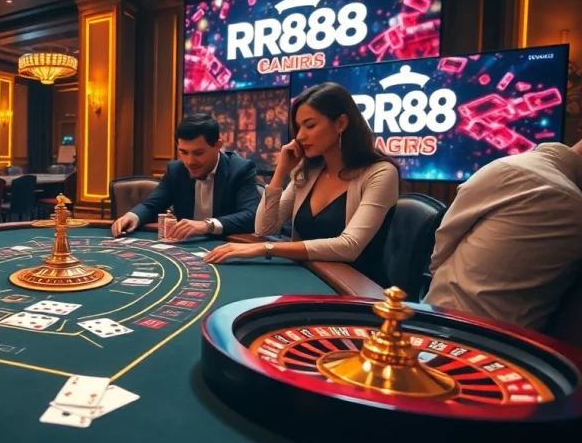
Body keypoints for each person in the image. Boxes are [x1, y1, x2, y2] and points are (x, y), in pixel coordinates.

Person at [204, 82, 399, 288]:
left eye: (310, 125)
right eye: (298, 127)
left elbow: (349, 246)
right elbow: (264, 228)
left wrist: (267, 248)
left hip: (356, 290)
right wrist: (281, 171)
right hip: (308, 278)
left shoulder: (381, 173)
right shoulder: (308, 171)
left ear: (341, 123)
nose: (300, 136)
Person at [423, 140, 582, 330]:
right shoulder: (520, 174)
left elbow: (440, 254)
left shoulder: (508, 168)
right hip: (515, 345)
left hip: (445, 323)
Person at [111, 114, 261, 240]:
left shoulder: (240, 169)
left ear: (217, 145)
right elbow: (152, 205)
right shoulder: (176, 170)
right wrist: (133, 216)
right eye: (183, 152)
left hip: (225, 247)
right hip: (185, 248)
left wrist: (206, 225)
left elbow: (252, 215)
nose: (189, 162)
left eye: (198, 153)